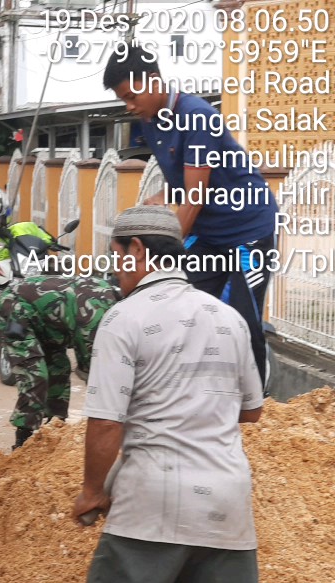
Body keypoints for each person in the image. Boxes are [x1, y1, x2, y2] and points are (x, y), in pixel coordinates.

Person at [50, 206, 263, 583]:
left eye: (117, 258)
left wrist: (92, 491)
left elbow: (105, 423)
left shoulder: (124, 318)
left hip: (152, 507)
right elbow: (252, 410)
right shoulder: (227, 317)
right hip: (228, 510)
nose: (115, 270)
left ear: (138, 252)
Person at [103, 42, 278, 390]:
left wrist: (161, 258)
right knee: (180, 304)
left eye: (131, 95)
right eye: (123, 99)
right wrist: (163, 196)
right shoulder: (153, 121)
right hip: (210, 233)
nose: (130, 105)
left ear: (153, 80)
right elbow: (186, 178)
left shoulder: (196, 116)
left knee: (241, 318)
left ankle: (257, 408)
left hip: (248, 230)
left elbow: (194, 198)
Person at [0, 274, 119, 449]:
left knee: (59, 368)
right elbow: (91, 367)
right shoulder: (97, 312)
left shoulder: (109, 295)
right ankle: (23, 439)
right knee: (35, 373)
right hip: (14, 310)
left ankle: (55, 428)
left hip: (49, 324)